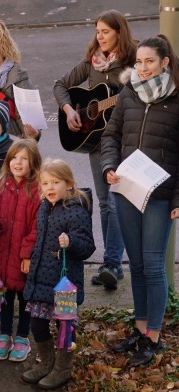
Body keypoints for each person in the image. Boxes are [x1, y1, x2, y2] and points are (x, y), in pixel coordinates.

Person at [100, 34, 179, 366]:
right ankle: (140, 328)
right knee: (136, 265)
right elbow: (111, 135)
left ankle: (154, 337)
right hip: (127, 190)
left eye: (150, 61)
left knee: (153, 264)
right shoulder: (128, 94)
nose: (143, 68)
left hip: (160, 195)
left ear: (165, 62)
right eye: (139, 62)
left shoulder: (176, 100)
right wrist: (108, 167)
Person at [54, 10, 135, 290]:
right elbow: (60, 85)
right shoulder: (92, 63)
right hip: (96, 138)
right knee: (103, 202)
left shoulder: (133, 62)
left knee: (117, 201)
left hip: (123, 138)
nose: (99, 37)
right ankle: (111, 265)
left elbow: (142, 93)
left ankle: (112, 263)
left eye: (105, 32)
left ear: (119, 33)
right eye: (97, 31)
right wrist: (68, 110)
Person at [19, 158, 94, 390]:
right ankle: (46, 363)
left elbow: (87, 246)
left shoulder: (76, 212)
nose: (49, 188)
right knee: (38, 325)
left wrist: (71, 242)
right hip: (40, 279)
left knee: (65, 328)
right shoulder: (44, 207)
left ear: (69, 184)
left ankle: (63, 368)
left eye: (55, 182)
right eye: (45, 183)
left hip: (65, 284)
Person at [0, 138, 42, 362]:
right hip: (0, 254)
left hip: (22, 257)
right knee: (3, 296)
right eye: (14, 157)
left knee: (25, 297)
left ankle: (23, 335)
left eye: (24, 159)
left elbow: (38, 226)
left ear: (33, 163)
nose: (18, 162)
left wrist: (27, 254)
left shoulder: (37, 191)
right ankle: (5, 333)